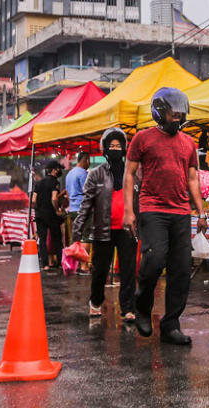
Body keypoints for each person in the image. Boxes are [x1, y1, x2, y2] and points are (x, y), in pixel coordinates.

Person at [122, 87, 208, 345]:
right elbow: (129, 174)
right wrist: (129, 211)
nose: (177, 117)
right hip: (152, 209)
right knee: (154, 261)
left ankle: (171, 326)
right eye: (173, 112)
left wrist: (201, 211)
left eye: (181, 113)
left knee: (181, 270)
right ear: (160, 112)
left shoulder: (189, 142)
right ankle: (142, 305)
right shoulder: (142, 138)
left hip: (181, 212)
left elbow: (193, 178)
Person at [73, 128, 137, 320]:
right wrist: (78, 229)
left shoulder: (133, 173)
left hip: (128, 230)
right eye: (111, 146)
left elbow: (141, 200)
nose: (115, 149)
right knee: (100, 271)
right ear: (105, 149)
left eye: (119, 145)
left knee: (128, 272)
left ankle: (127, 309)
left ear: (125, 148)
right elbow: (86, 204)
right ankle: (96, 301)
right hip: (103, 230)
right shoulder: (95, 174)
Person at [33, 160, 64, 271]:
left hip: (40, 215)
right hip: (51, 215)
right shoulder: (55, 182)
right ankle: (60, 263)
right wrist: (57, 210)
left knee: (42, 240)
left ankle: (45, 265)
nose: (60, 171)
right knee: (57, 239)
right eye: (58, 169)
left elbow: (33, 200)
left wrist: (38, 209)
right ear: (54, 170)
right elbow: (54, 198)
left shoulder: (39, 183)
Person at [66, 152, 92, 275]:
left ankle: (75, 265)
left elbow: (67, 192)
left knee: (76, 237)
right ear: (85, 160)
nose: (89, 163)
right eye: (89, 160)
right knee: (86, 236)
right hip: (83, 209)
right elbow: (88, 191)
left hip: (72, 209)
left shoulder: (69, 174)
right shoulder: (83, 174)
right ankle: (84, 266)